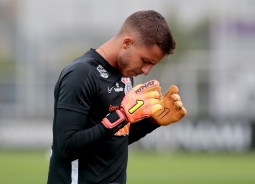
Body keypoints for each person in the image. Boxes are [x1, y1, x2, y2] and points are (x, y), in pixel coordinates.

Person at [47, 10, 187, 184]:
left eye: (152, 65)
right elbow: (66, 147)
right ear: (127, 43)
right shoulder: (81, 74)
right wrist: (121, 116)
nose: (146, 71)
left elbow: (113, 140)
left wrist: (152, 122)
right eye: (145, 60)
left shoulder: (126, 75)